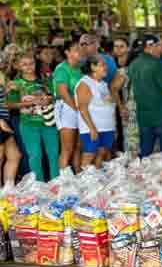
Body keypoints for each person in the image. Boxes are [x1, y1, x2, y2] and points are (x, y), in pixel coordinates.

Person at [6, 54, 58, 182]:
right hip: (28, 124)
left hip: (49, 122)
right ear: (18, 66)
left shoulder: (46, 79)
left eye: (31, 63)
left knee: (54, 154)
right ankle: (38, 185)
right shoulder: (16, 84)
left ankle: (57, 184)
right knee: (35, 156)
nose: (29, 66)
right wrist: (29, 103)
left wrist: (48, 99)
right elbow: (9, 104)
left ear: (35, 64)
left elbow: (54, 96)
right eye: (24, 64)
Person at [75, 55, 116, 169]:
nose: (106, 67)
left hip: (106, 127)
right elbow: (82, 108)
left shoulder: (103, 84)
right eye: (102, 65)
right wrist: (92, 128)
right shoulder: (85, 83)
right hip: (92, 128)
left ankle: (95, 182)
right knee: (89, 156)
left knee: (101, 154)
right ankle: (83, 183)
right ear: (93, 67)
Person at [52, 40, 83, 171]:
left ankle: (78, 175)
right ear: (67, 53)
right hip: (66, 108)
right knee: (67, 148)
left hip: (78, 108)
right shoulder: (61, 69)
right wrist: (79, 110)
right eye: (76, 49)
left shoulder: (79, 68)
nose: (80, 51)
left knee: (77, 146)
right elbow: (64, 93)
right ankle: (63, 181)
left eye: (80, 48)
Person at [0, 73, 20, 186]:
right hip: (1, 121)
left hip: (5, 119)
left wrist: (6, 90)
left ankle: (8, 190)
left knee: (15, 155)